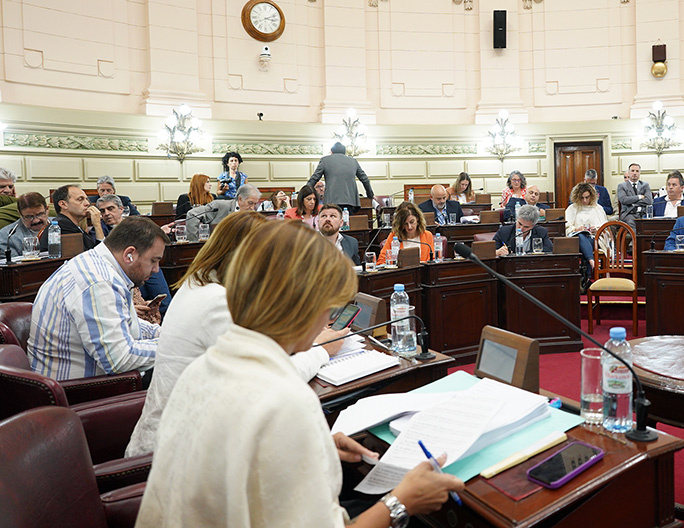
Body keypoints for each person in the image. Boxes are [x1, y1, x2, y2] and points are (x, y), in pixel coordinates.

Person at [134, 221, 463, 526]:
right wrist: (402, 501)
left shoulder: (206, 367)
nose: (326, 322)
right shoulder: (285, 401)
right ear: (305, 305)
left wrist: (316, 446)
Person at [125, 212, 347, 457]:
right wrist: (320, 350)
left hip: (192, 438)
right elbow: (272, 381)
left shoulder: (199, 285)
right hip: (174, 454)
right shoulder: (218, 302)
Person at [28, 217, 169, 380]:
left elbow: (126, 323)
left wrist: (167, 334)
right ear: (129, 254)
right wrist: (176, 345)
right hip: (82, 393)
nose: (156, 270)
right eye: (153, 261)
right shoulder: (99, 282)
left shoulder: (96, 264)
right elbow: (119, 359)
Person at [97, 194, 173, 316]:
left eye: (110, 209)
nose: (106, 213)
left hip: (145, 263)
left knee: (163, 300)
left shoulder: (135, 224)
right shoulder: (100, 229)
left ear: (121, 209)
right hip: (125, 269)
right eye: (102, 211)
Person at [308, 142, 375, 216]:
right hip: (350, 202)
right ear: (344, 152)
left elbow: (314, 178)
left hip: (331, 201)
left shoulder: (325, 160)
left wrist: (305, 193)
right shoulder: (353, 161)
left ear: (331, 152)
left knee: (333, 224)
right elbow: (364, 179)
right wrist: (370, 195)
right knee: (347, 224)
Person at [39, 185, 106, 251]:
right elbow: (97, 256)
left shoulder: (72, 226)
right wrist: (97, 225)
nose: (87, 203)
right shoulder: (63, 226)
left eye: (87, 199)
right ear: (63, 204)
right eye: (80, 199)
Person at [186, 185, 261, 241]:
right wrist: (194, 243)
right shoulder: (219, 206)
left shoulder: (253, 215)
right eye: (250, 203)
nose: (252, 208)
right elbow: (192, 214)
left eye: (255, 204)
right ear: (240, 199)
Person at [566, 182, 608, 279]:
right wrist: (576, 229)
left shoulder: (598, 208)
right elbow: (567, 226)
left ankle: (587, 274)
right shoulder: (572, 208)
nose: (584, 200)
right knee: (580, 236)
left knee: (585, 240)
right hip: (577, 239)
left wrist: (596, 229)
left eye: (587, 197)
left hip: (595, 238)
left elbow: (605, 227)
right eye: (582, 198)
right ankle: (591, 262)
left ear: (591, 196)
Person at [0, 192, 49, 260]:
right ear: (20, 214)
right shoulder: (8, 235)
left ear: (47, 209)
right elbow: (12, 266)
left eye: (40, 214)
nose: (36, 220)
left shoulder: (60, 225)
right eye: (29, 217)